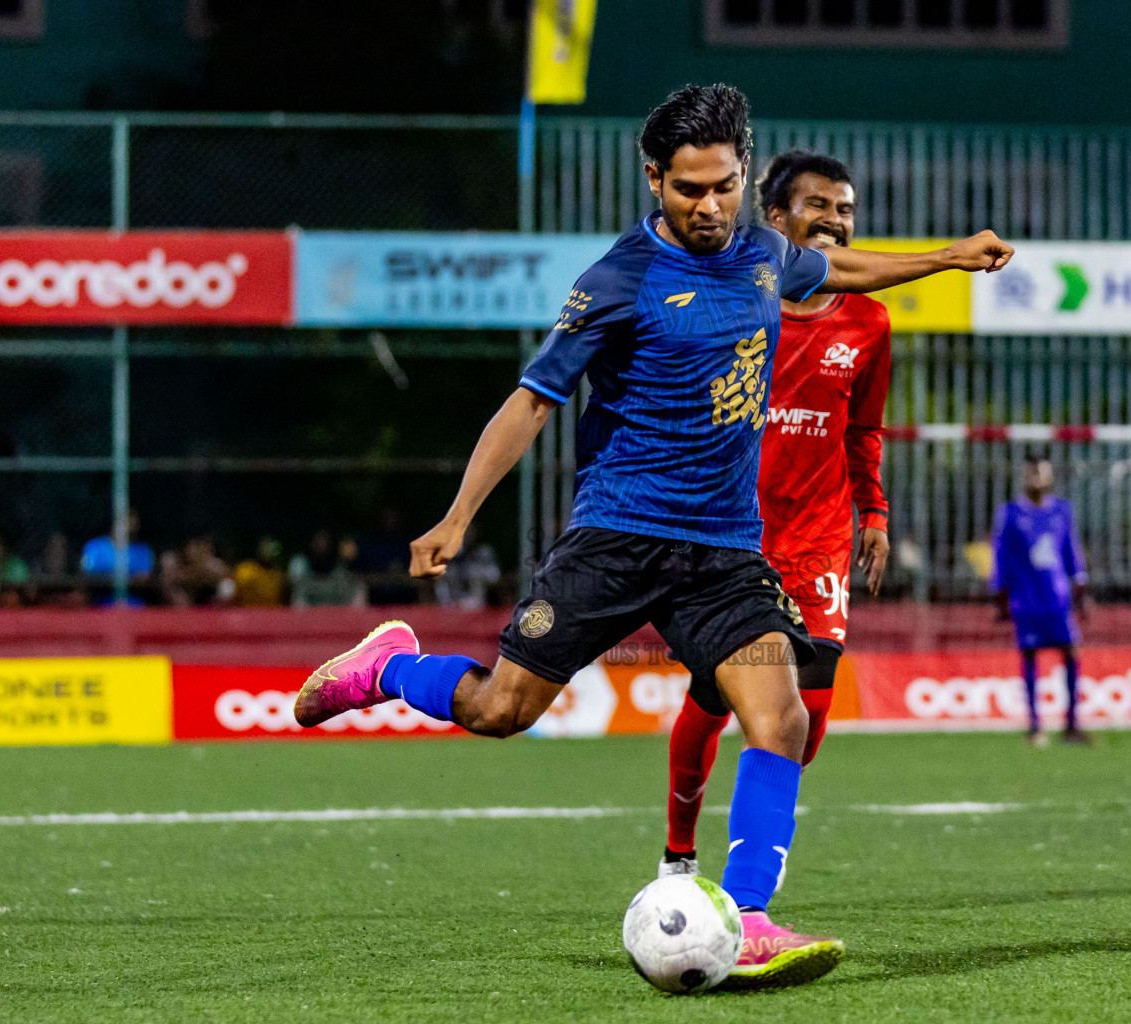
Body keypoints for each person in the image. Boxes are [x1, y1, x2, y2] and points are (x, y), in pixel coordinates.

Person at [293, 83, 1012, 990]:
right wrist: (458, 515)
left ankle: (748, 920)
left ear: (745, 178)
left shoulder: (763, 253)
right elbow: (530, 402)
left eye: (722, 186)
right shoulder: (617, 282)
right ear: (653, 180)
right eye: (686, 190)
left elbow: (847, 271)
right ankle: (388, 667)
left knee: (780, 716)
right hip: (618, 538)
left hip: (722, 552)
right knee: (500, 712)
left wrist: (949, 258)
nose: (707, 207)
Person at [659, 150, 891, 880]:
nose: (836, 221)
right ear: (778, 220)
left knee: (807, 718)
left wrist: (874, 512)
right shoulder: (731, 301)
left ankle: (749, 862)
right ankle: (679, 852)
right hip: (731, 540)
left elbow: (864, 429)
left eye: (847, 209)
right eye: (819, 206)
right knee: (710, 699)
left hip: (818, 543)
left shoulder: (871, 321)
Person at [991, 452, 1090, 747]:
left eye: (1042, 472)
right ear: (1024, 477)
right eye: (1032, 472)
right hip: (1026, 599)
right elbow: (1002, 556)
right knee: (1030, 656)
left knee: (1072, 652)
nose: (1037, 478)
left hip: (1058, 598)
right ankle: (1035, 726)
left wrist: (1081, 584)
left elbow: (1070, 549)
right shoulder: (1010, 514)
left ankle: (1072, 725)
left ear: (1050, 476)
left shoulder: (1062, 511)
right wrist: (999, 593)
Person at [289, 530, 367, 608]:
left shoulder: (348, 579)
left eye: (325, 542)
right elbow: (298, 608)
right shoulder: (303, 582)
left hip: (342, 617)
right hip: (312, 618)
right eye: (317, 543)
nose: (322, 546)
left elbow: (356, 608)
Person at [160, 535, 235, 607]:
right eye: (193, 546)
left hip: (206, 599)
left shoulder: (212, 564)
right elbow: (167, 581)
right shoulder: (172, 560)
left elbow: (229, 576)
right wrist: (191, 575)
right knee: (174, 590)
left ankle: (220, 612)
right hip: (183, 600)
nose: (195, 551)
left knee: (227, 586)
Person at [233, 536, 288, 607]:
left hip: (270, 615)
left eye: (272, 549)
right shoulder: (245, 569)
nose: (268, 552)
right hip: (247, 613)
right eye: (265, 547)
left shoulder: (278, 575)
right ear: (259, 549)